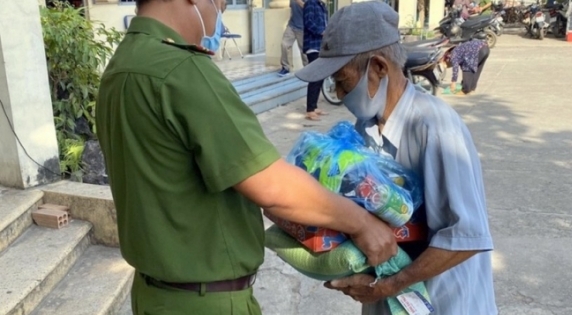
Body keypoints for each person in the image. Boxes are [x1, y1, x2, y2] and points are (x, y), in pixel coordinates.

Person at [95, 0, 398, 314]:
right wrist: (362, 223)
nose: (220, 11)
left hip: (153, 294)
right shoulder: (182, 72)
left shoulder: (121, 67)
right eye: (220, 2)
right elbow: (271, 186)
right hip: (205, 302)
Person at [295, 2, 497, 315]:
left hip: (444, 304)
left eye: (342, 80)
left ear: (378, 67)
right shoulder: (363, 129)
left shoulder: (435, 126)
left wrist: (391, 284)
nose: (339, 92)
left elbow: (467, 236)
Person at [302, 0, 328, 121]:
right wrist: (321, 31)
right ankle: (310, 110)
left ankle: (314, 106)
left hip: (320, 46)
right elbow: (308, 22)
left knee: (320, 77)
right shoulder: (310, 3)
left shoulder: (321, 5)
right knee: (315, 78)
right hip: (313, 46)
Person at [278, 0, 309, 76]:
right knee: (284, 44)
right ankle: (285, 68)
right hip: (291, 26)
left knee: (303, 51)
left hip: (302, 28)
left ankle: (308, 69)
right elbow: (292, 9)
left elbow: (307, 7)